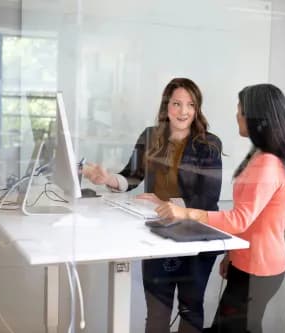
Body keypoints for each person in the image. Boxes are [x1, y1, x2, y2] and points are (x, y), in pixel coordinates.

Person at [154, 83, 285, 333]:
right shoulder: (260, 154)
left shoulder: (268, 163)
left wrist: (186, 212)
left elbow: (239, 219)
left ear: (258, 117)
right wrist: (231, 255)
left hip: (259, 268)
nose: (237, 115)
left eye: (241, 110)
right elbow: (252, 217)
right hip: (247, 262)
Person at [83, 77, 223, 333]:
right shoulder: (150, 136)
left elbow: (208, 198)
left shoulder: (209, 144)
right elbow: (132, 177)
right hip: (159, 235)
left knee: (191, 310)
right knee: (157, 313)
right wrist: (108, 178)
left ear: (197, 108)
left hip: (195, 235)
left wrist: (164, 202)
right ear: (166, 106)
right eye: (177, 104)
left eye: (190, 105)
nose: (183, 111)